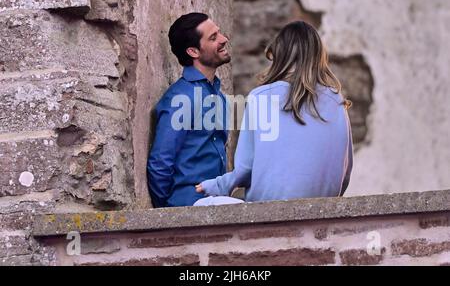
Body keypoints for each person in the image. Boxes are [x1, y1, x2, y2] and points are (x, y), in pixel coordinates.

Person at [195, 20, 353, 206]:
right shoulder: (337, 101)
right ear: (319, 57)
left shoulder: (260, 97)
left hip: (267, 210)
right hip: (322, 209)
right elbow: (345, 172)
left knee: (200, 206)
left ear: (280, 56)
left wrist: (217, 185)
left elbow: (245, 168)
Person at [147, 12, 237, 207]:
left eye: (219, 33)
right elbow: (160, 163)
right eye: (213, 37)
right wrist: (168, 214)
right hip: (189, 204)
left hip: (214, 201)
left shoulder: (219, 98)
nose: (224, 39)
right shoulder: (181, 97)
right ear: (193, 52)